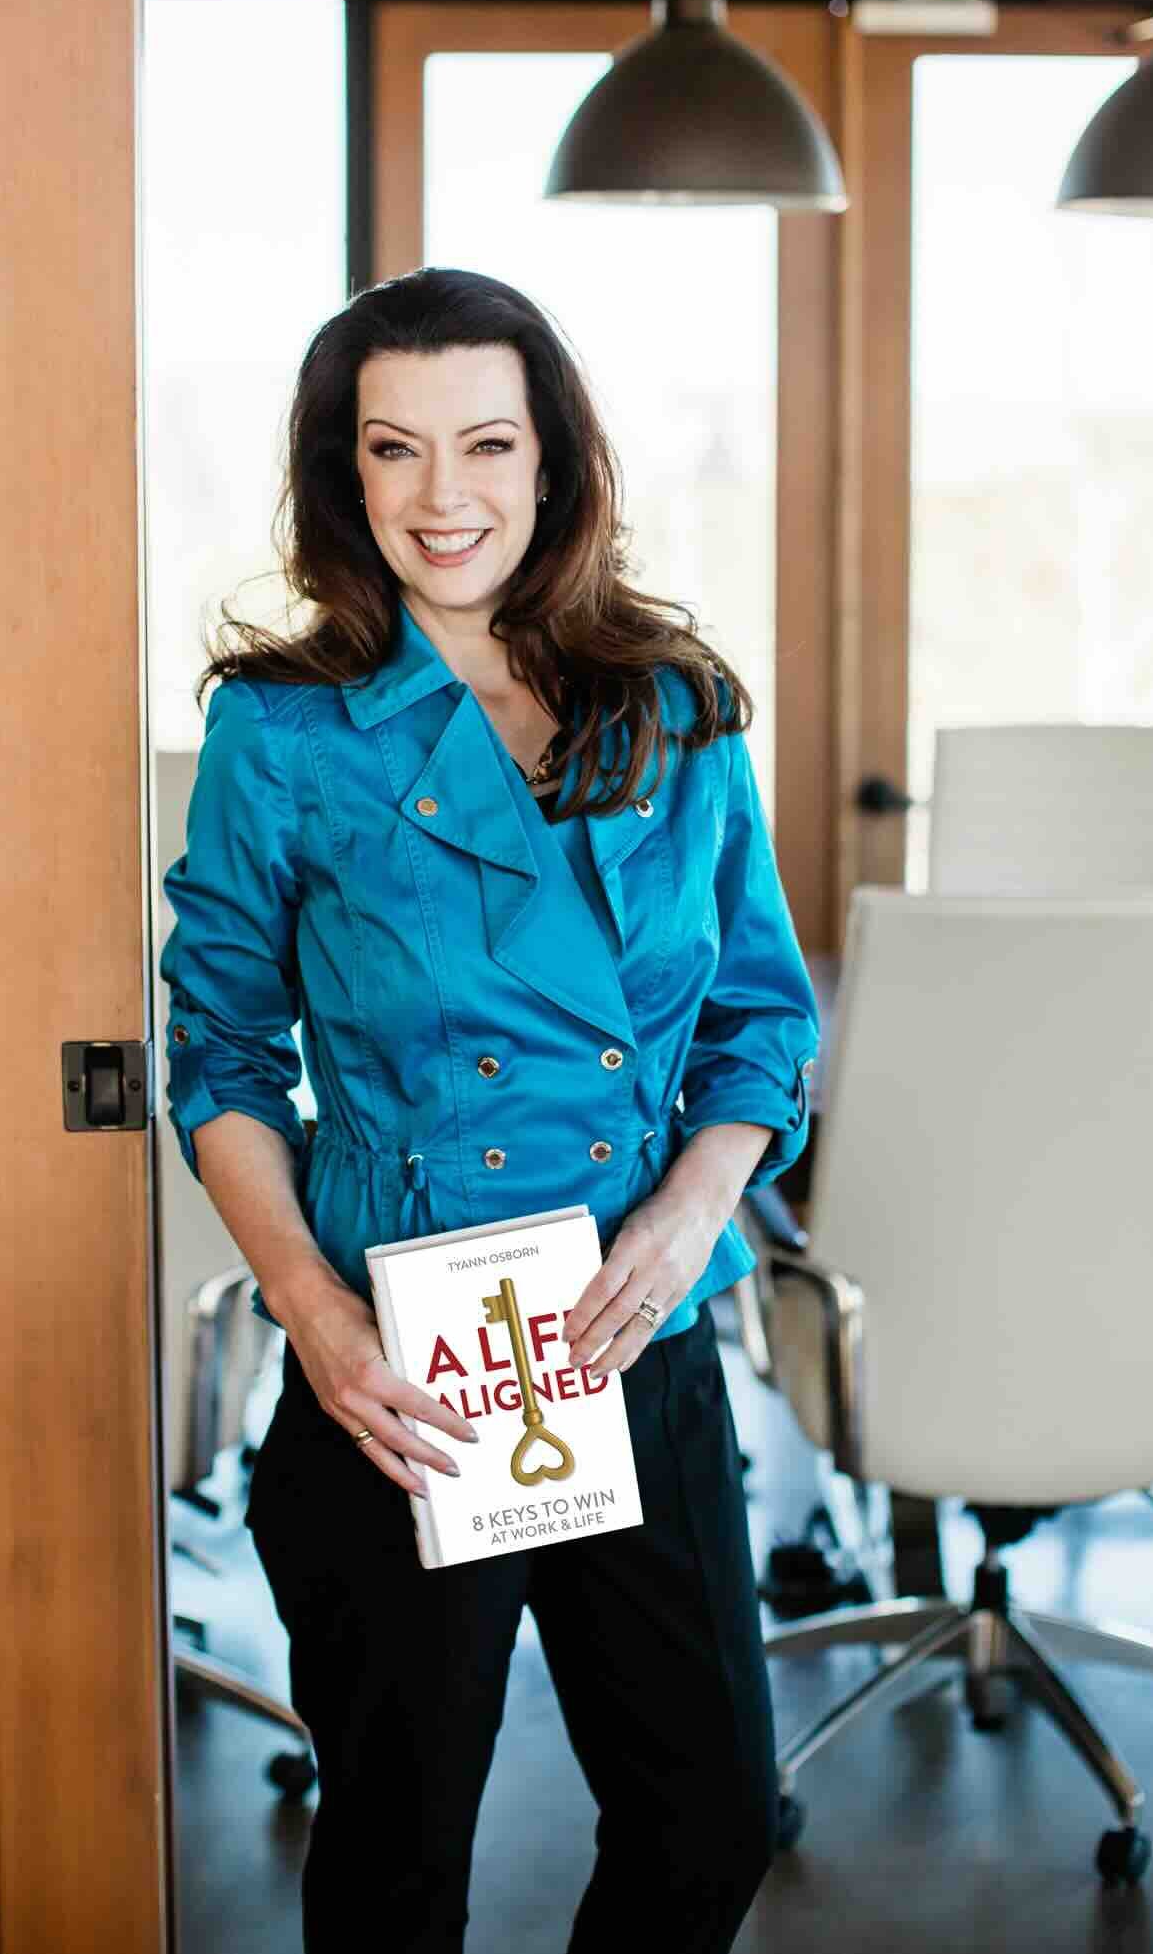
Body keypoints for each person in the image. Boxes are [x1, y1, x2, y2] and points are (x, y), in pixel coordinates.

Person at [159, 266, 820, 1953]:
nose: (440, 497)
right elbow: (223, 1058)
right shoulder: (284, 731)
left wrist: (683, 1223)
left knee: (708, 1818)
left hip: (633, 1327)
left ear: (551, 462)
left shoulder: (673, 706)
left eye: (482, 443)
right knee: (395, 1857)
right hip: (403, 1356)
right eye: (392, 449)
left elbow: (757, 1022)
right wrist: (311, 1316)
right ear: (345, 473)